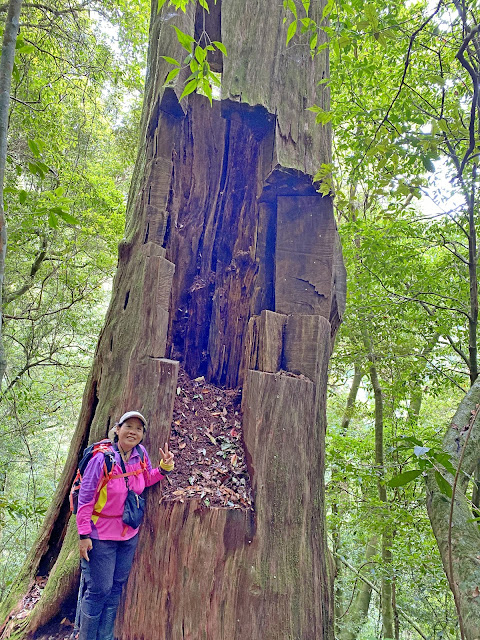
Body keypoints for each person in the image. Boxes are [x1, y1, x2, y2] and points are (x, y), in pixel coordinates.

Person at [75, 410, 174, 640]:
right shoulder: (102, 458)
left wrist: (163, 468)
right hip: (100, 536)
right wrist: (83, 535)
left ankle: (106, 636)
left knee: (116, 586)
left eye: (138, 429)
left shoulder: (140, 454)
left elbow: (145, 480)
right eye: (128, 426)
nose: (133, 432)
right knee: (99, 589)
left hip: (129, 534)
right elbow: (86, 498)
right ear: (117, 429)